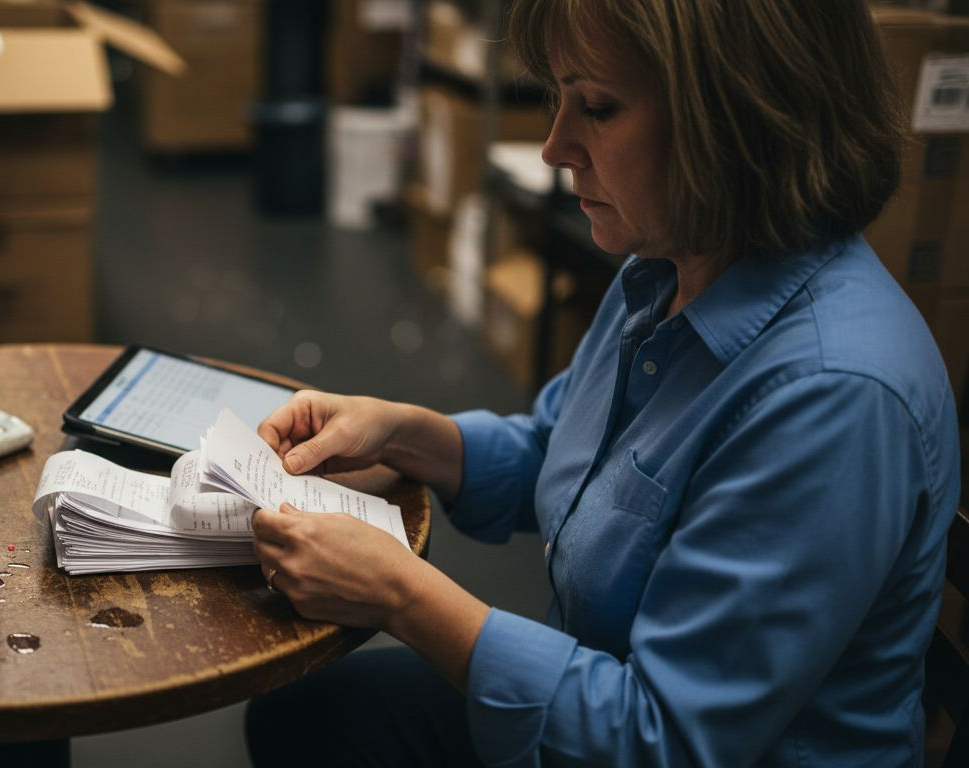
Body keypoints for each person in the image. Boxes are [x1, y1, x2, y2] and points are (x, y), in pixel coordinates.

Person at [244, 0, 962, 765]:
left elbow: (664, 740)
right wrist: (406, 437)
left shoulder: (832, 396)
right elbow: (569, 454)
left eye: (598, 107)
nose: (554, 147)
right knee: (303, 715)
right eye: (558, 99)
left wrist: (401, 596)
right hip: (603, 708)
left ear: (742, 117)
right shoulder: (672, 262)